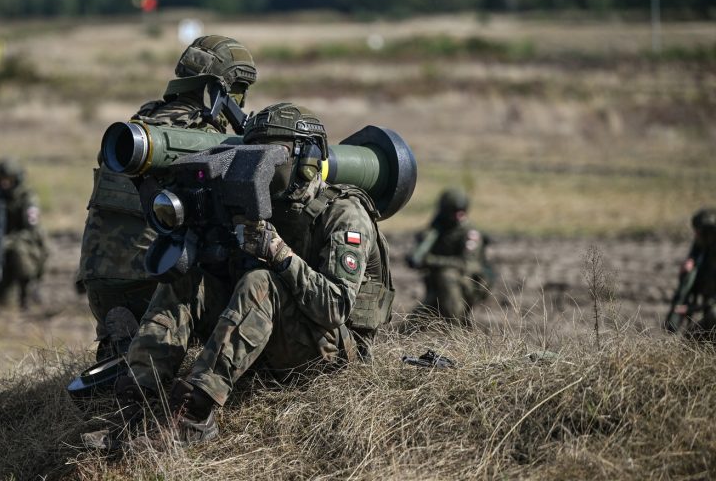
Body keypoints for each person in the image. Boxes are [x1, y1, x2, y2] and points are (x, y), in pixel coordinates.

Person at [102, 103, 392, 446]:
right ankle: (137, 401)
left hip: (329, 353)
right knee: (186, 281)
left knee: (261, 283)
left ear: (307, 160)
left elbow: (335, 308)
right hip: (270, 341)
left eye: (272, 155)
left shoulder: (343, 215)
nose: (258, 166)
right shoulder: (258, 204)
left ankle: (195, 414)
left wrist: (276, 251)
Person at [77, 35, 258, 360]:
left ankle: (118, 349)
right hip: (157, 281)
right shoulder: (204, 138)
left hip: (98, 281)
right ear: (221, 90)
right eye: (239, 90)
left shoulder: (136, 130)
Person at [404, 189, 492, 328]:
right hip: (439, 289)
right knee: (411, 325)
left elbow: (467, 264)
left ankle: (456, 330)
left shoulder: (469, 233)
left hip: (466, 285)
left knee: (447, 276)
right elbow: (418, 256)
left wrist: (432, 261)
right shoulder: (439, 229)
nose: (458, 216)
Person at [0, 158, 47, 309]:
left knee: (17, 251)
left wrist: (10, 240)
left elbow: (32, 230)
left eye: (8, 179)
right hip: (3, 245)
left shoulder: (27, 197)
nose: (4, 183)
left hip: (29, 245)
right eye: (1, 179)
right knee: (3, 302)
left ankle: (28, 289)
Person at [664, 207, 716, 338]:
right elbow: (696, 249)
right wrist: (691, 260)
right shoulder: (706, 235)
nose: (696, 235)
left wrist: (690, 309)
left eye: (699, 232)